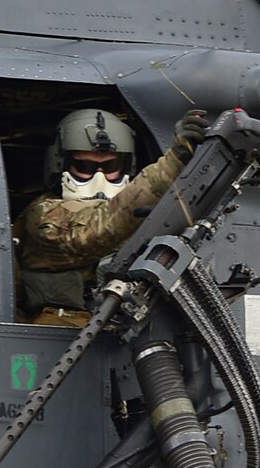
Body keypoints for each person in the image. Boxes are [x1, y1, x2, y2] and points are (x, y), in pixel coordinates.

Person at [16, 105, 208, 325]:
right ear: (61, 164)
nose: (99, 177)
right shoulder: (44, 216)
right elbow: (96, 229)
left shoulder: (140, 216)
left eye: (110, 166)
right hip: (61, 333)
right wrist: (176, 161)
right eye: (85, 166)